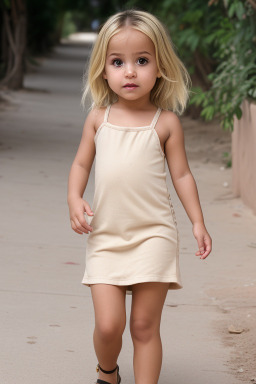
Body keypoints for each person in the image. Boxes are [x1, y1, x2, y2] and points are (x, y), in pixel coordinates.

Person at [67, 9, 212, 384]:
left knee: (144, 326)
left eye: (142, 61)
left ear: (160, 67)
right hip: (107, 237)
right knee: (108, 326)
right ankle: (107, 371)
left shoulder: (165, 123)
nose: (129, 71)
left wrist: (197, 221)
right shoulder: (99, 118)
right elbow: (82, 164)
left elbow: (181, 174)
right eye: (118, 62)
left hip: (154, 234)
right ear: (103, 69)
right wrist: (74, 196)